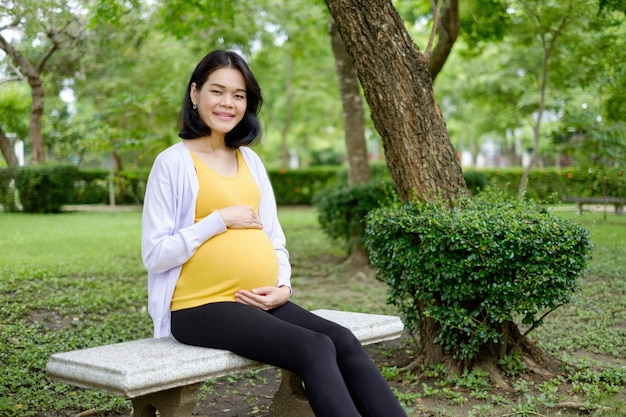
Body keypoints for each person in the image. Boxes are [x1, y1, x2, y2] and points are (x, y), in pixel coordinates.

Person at [141, 49, 407, 417]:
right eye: (217, 91)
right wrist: (218, 220)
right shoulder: (172, 162)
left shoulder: (250, 160)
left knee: (341, 340)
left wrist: (283, 286)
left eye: (239, 95)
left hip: (258, 300)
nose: (227, 103)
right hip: (199, 306)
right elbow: (154, 254)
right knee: (313, 347)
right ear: (194, 93)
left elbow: (274, 237)